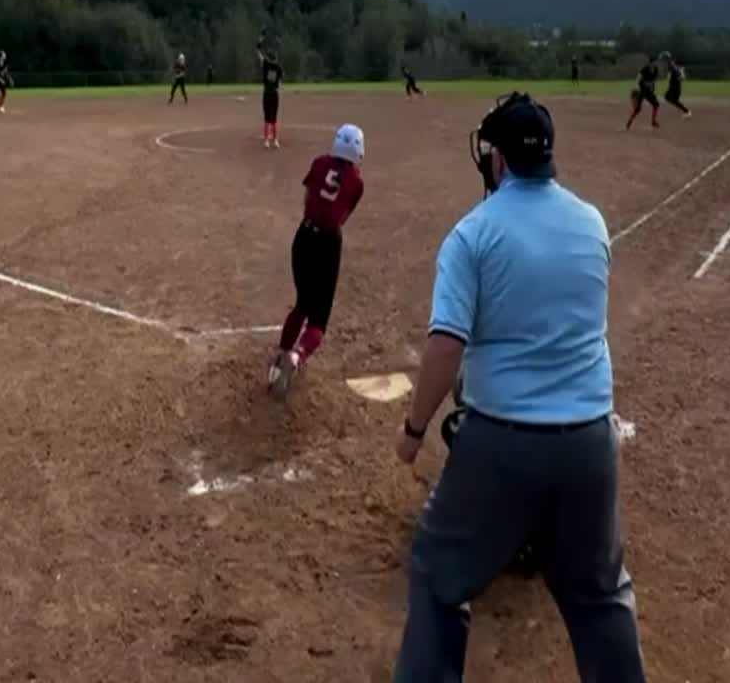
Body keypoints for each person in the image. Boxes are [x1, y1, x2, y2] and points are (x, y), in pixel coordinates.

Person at [391, 92, 645, 683]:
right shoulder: (591, 222)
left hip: (503, 444)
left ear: (499, 159)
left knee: (438, 572)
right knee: (600, 596)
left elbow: (446, 345)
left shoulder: (473, 234)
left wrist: (413, 430)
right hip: (590, 444)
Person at [267, 124, 367, 398]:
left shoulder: (319, 163)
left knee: (302, 303)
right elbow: (343, 216)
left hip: (304, 237)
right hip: (327, 244)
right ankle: (297, 356)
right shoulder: (357, 181)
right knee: (318, 320)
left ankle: (279, 359)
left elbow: (308, 195)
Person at [624, 56, 660, 130]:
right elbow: (639, 76)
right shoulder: (645, 68)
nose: (653, 64)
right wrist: (637, 86)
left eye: (654, 62)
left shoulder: (656, 69)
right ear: (650, 63)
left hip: (648, 90)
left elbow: (653, 80)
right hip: (642, 89)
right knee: (639, 109)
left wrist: (653, 89)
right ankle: (630, 121)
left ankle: (653, 121)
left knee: (655, 105)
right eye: (652, 62)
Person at [259, 49, 285, 149]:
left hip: (267, 93)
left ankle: (266, 141)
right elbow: (280, 83)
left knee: (267, 118)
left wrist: (258, 46)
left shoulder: (266, 65)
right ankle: (275, 140)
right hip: (274, 94)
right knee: (274, 119)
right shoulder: (278, 67)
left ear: (269, 58)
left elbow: (260, 57)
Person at [658, 51, 690, 119]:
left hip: (675, 85)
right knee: (671, 98)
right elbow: (678, 74)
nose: (662, 61)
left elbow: (676, 74)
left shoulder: (670, 65)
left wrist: (678, 77)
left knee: (670, 98)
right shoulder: (671, 64)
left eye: (663, 59)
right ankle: (684, 110)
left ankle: (687, 111)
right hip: (675, 85)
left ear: (666, 59)